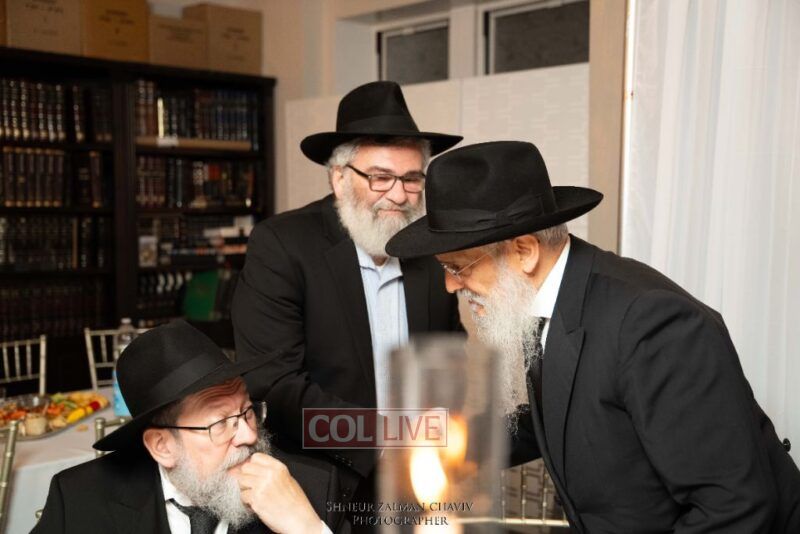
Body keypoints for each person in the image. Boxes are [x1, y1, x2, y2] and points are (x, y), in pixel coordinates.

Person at [385, 141, 800, 533]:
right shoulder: (548, 300)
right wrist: (454, 441)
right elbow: (565, 410)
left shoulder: (653, 324)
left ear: (524, 251)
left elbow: (732, 507)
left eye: (458, 267)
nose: (450, 286)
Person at [231, 81, 464, 513]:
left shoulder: (430, 248)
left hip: (424, 479)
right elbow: (273, 386)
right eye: (380, 177)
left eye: (412, 179)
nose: (399, 194)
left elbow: (452, 355)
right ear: (339, 178)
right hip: (321, 487)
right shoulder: (282, 245)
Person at [33, 320, 349, 534]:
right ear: (162, 446)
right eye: (221, 423)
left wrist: (306, 529)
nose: (249, 435)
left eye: (248, 411)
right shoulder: (80, 499)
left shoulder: (313, 490)